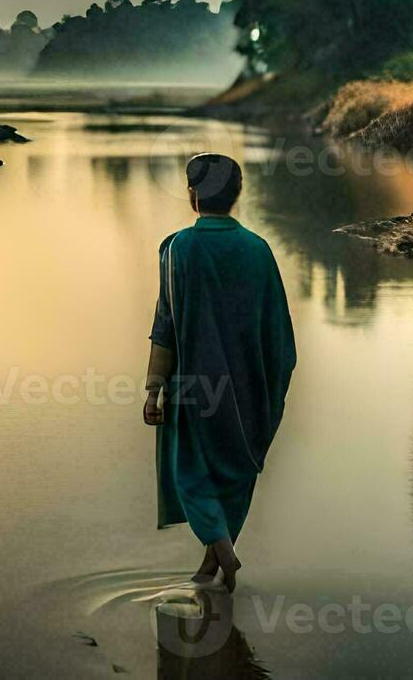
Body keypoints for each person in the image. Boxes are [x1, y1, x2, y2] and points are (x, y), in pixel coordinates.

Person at [143, 153, 297, 592]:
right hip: (253, 385)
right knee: (236, 471)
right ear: (237, 194)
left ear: (192, 195)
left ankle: (223, 557)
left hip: (197, 389)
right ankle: (211, 569)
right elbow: (278, 333)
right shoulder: (259, 250)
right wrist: (271, 384)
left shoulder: (177, 249)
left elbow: (165, 326)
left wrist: (154, 389)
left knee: (190, 473)